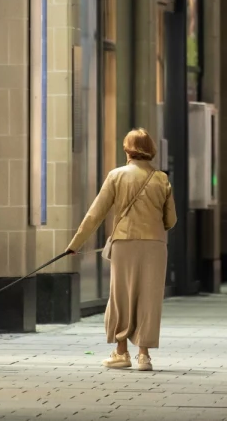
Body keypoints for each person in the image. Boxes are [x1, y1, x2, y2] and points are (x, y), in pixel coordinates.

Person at [67, 128, 177, 371]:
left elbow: (95, 214)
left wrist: (75, 245)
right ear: (150, 150)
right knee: (149, 298)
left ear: (128, 150)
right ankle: (144, 356)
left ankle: (121, 353)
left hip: (124, 243)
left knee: (120, 296)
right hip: (155, 245)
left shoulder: (116, 176)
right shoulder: (161, 179)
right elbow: (171, 219)